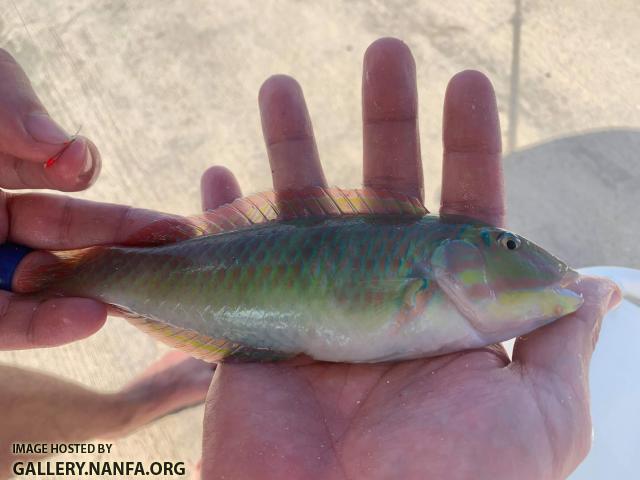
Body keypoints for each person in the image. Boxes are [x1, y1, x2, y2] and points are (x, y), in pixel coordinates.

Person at [0, 38, 620, 480]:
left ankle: (137, 396)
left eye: (510, 242)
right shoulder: (427, 268)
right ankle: (135, 390)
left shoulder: (445, 287)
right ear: (451, 257)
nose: (515, 249)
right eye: (506, 244)